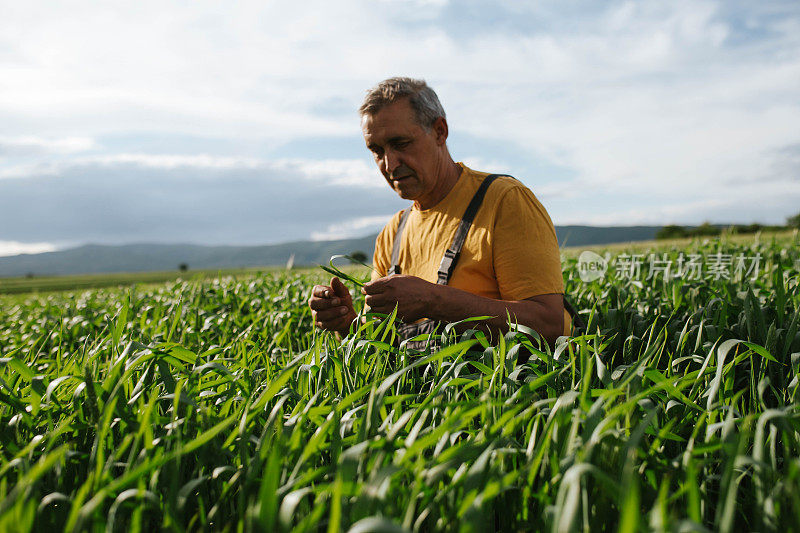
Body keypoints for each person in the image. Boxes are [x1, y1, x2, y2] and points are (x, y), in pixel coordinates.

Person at [308, 77, 570, 347]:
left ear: (440, 131)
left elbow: (550, 325)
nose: (389, 164)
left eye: (400, 143)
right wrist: (346, 323)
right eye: (377, 151)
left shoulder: (504, 201)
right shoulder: (393, 233)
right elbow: (384, 348)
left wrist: (434, 301)